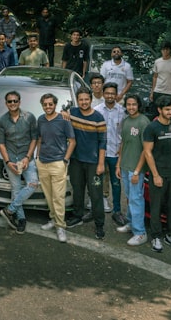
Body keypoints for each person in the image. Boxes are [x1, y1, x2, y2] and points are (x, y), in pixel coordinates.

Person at [142, 98, 171, 253]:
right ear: (159, 110)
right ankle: (156, 237)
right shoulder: (151, 128)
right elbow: (147, 152)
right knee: (156, 207)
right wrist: (155, 175)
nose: (170, 112)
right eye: (167, 109)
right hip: (159, 174)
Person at [64, 89, 107, 239]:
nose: (84, 102)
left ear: (91, 100)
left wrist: (101, 164)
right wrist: (64, 114)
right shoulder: (73, 112)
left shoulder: (98, 118)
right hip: (76, 160)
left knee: (95, 194)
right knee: (77, 189)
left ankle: (99, 224)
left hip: (93, 163)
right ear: (77, 100)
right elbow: (63, 117)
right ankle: (77, 215)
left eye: (86, 99)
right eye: (81, 100)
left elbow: (103, 143)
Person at [0, 90, 38, 235]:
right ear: (6, 103)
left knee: (33, 184)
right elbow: (1, 144)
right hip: (11, 160)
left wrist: (27, 157)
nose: (12, 104)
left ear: (19, 102)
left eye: (15, 101)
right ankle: (21, 219)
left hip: (27, 158)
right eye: (10, 101)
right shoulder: (2, 121)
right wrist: (8, 162)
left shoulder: (29, 117)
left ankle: (10, 210)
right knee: (15, 189)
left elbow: (34, 139)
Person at [36, 93, 75, 244]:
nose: (48, 107)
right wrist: (38, 157)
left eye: (50, 104)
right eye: (45, 104)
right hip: (43, 162)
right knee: (48, 195)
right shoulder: (41, 120)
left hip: (58, 163)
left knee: (58, 197)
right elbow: (40, 139)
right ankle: (53, 219)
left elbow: (72, 141)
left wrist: (65, 160)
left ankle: (60, 227)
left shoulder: (63, 120)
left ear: (55, 104)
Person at [116, 95, 150, 245]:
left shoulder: (143, 122)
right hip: (125, 166)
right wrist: (119, 164)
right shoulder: (126, 121)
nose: (131, 107)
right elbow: (123, 144)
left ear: (138, 105)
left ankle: (140, 232)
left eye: (134, 104)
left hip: (136, 169)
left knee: (136, 199)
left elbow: (146, 149)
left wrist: (137, 171)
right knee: (130, 198)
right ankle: (130, 224)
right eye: (128, 104)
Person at [95, 82, 126, 226]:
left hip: (115, 152)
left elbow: (124, 134)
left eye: (112, 93)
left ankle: (117, 211)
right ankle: (96, 210)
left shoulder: (122, 111)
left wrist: (122, 148)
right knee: (96, 181)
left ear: (116, 94)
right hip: (99, 152)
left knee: (116, 182)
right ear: (103, 94)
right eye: (107, 93)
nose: (109, 96)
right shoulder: (97, 110)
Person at [150, 42, 171, 107]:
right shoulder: (157, 62)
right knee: (156, 111)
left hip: (170, 92)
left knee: (168, 112)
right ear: (161, 50)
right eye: (163, 49)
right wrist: (152, 92)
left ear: (170, 50)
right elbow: (155, 77)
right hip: (158, 91)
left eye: (167, 49)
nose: (165, 51)